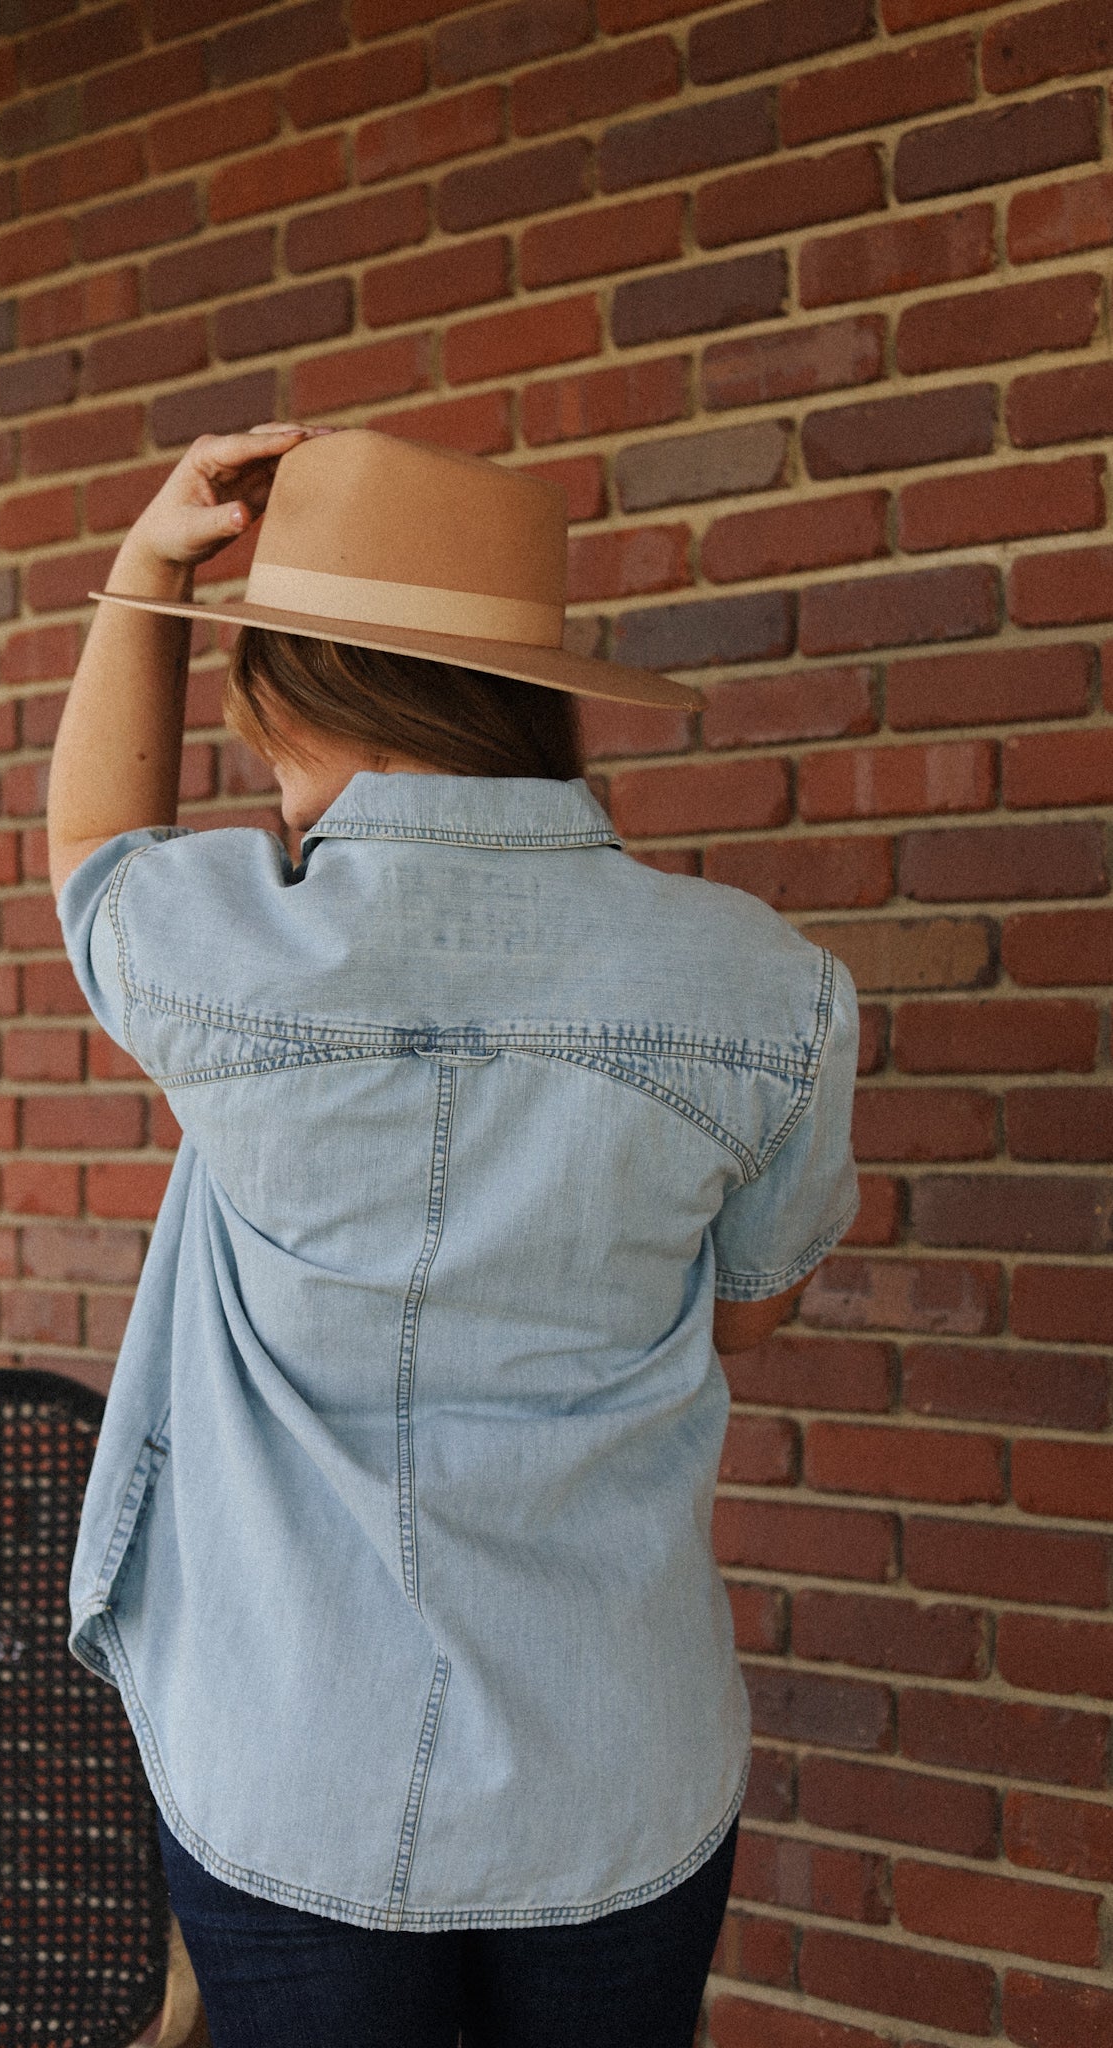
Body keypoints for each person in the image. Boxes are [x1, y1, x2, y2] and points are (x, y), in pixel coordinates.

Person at [48, 423, 859, 2048]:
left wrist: (148, 569)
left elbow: (92, 850)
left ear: (284, 696)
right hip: (613, 1756)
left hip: (288, 1755)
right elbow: (744, 1321)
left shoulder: (216, 955)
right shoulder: (766, 987)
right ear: (535, 696)